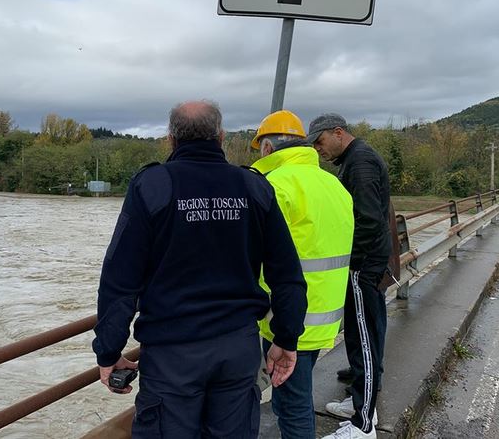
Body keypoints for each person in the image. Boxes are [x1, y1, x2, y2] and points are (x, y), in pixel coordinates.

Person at [92, 100, 308, 438]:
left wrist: (108, 350)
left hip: (172, 353)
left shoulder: (152, 186)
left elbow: (120, 280)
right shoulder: (253, 186)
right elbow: (287, 273)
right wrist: (287, 336)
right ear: (221, 136)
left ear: (170, 139)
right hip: (238, 347)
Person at [250, 110, 354, 439]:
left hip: (282, 318)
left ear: (267, 149)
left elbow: (250, 253)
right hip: (323, 317)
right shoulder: (333, 185)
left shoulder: (274, 185)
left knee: (289, 403)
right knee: (291, 397)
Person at [306, 114, 391, 439]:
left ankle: (364, 424)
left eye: (320, 141)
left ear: (338, 133)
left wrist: (350, 263)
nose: (317, 149)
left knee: (365, 336)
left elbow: (368, 220)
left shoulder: (361, 163)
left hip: (363, 265)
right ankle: (360, 400)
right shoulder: (356, 159)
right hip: (368, 263)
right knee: (362, 332)